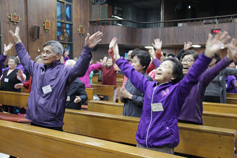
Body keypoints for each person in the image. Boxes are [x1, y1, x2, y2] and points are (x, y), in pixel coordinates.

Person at [109, 31, 231, 154]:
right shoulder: (148, 86)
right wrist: (118, 56)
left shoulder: (176, 91)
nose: (160, 68)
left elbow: (192, 75)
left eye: (166, 66)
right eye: (160, 66)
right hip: (141, 141)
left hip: (162, 145)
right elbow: (131, 72)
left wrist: (207, 55)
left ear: (173, 76)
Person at [9, 26, 102, 131]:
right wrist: (18, 41)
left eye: (48, 52)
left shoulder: (64, 71)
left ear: (58, 56)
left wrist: (87, 49)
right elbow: (25, 59)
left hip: (51, 122)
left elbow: (79, 69)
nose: (44, 55)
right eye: (43, 52)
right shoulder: (37, 67)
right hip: (34, 118)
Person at [178, 38, 237, 125]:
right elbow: (168, 66)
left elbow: (215, 70)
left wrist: (228, 59)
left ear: (197, 64)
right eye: (183, 60)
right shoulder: (176, 78)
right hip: (176, 120)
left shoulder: (200, 79)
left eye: (189, 60)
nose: (185, 63)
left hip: (193, 121)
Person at [117, 48, 153, 117]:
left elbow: (148, 101)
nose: (132, 64)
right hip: (126, 114)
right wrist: (122, 95)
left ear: (144, 65)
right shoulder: (129, 78)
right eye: (132, 62)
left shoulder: (147, 79)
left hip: (138, 116)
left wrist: (130, 96)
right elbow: (124, 100)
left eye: (135, 62)